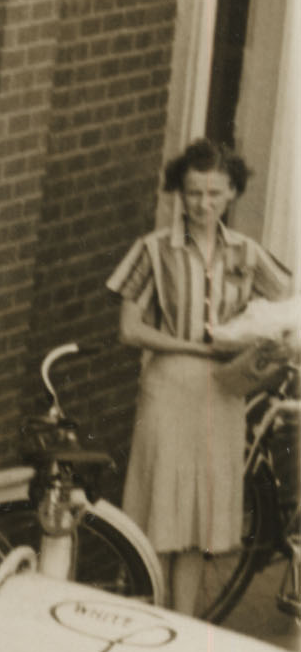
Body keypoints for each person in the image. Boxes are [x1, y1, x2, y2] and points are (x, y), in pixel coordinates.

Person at [111, 140, 292, 613]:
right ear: (178, 193)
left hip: (224, 390)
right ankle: (146, 616)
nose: (203, 204)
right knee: (160, 506)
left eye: (214, 193)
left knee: (197, 519)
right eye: (193, 193)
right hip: (170, 386)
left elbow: (288, 306)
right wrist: (197, 346)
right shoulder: (153, 250)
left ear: (232, 193)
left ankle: (184, 624)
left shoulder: (248, 255)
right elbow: (130, 330)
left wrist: (269, 341)